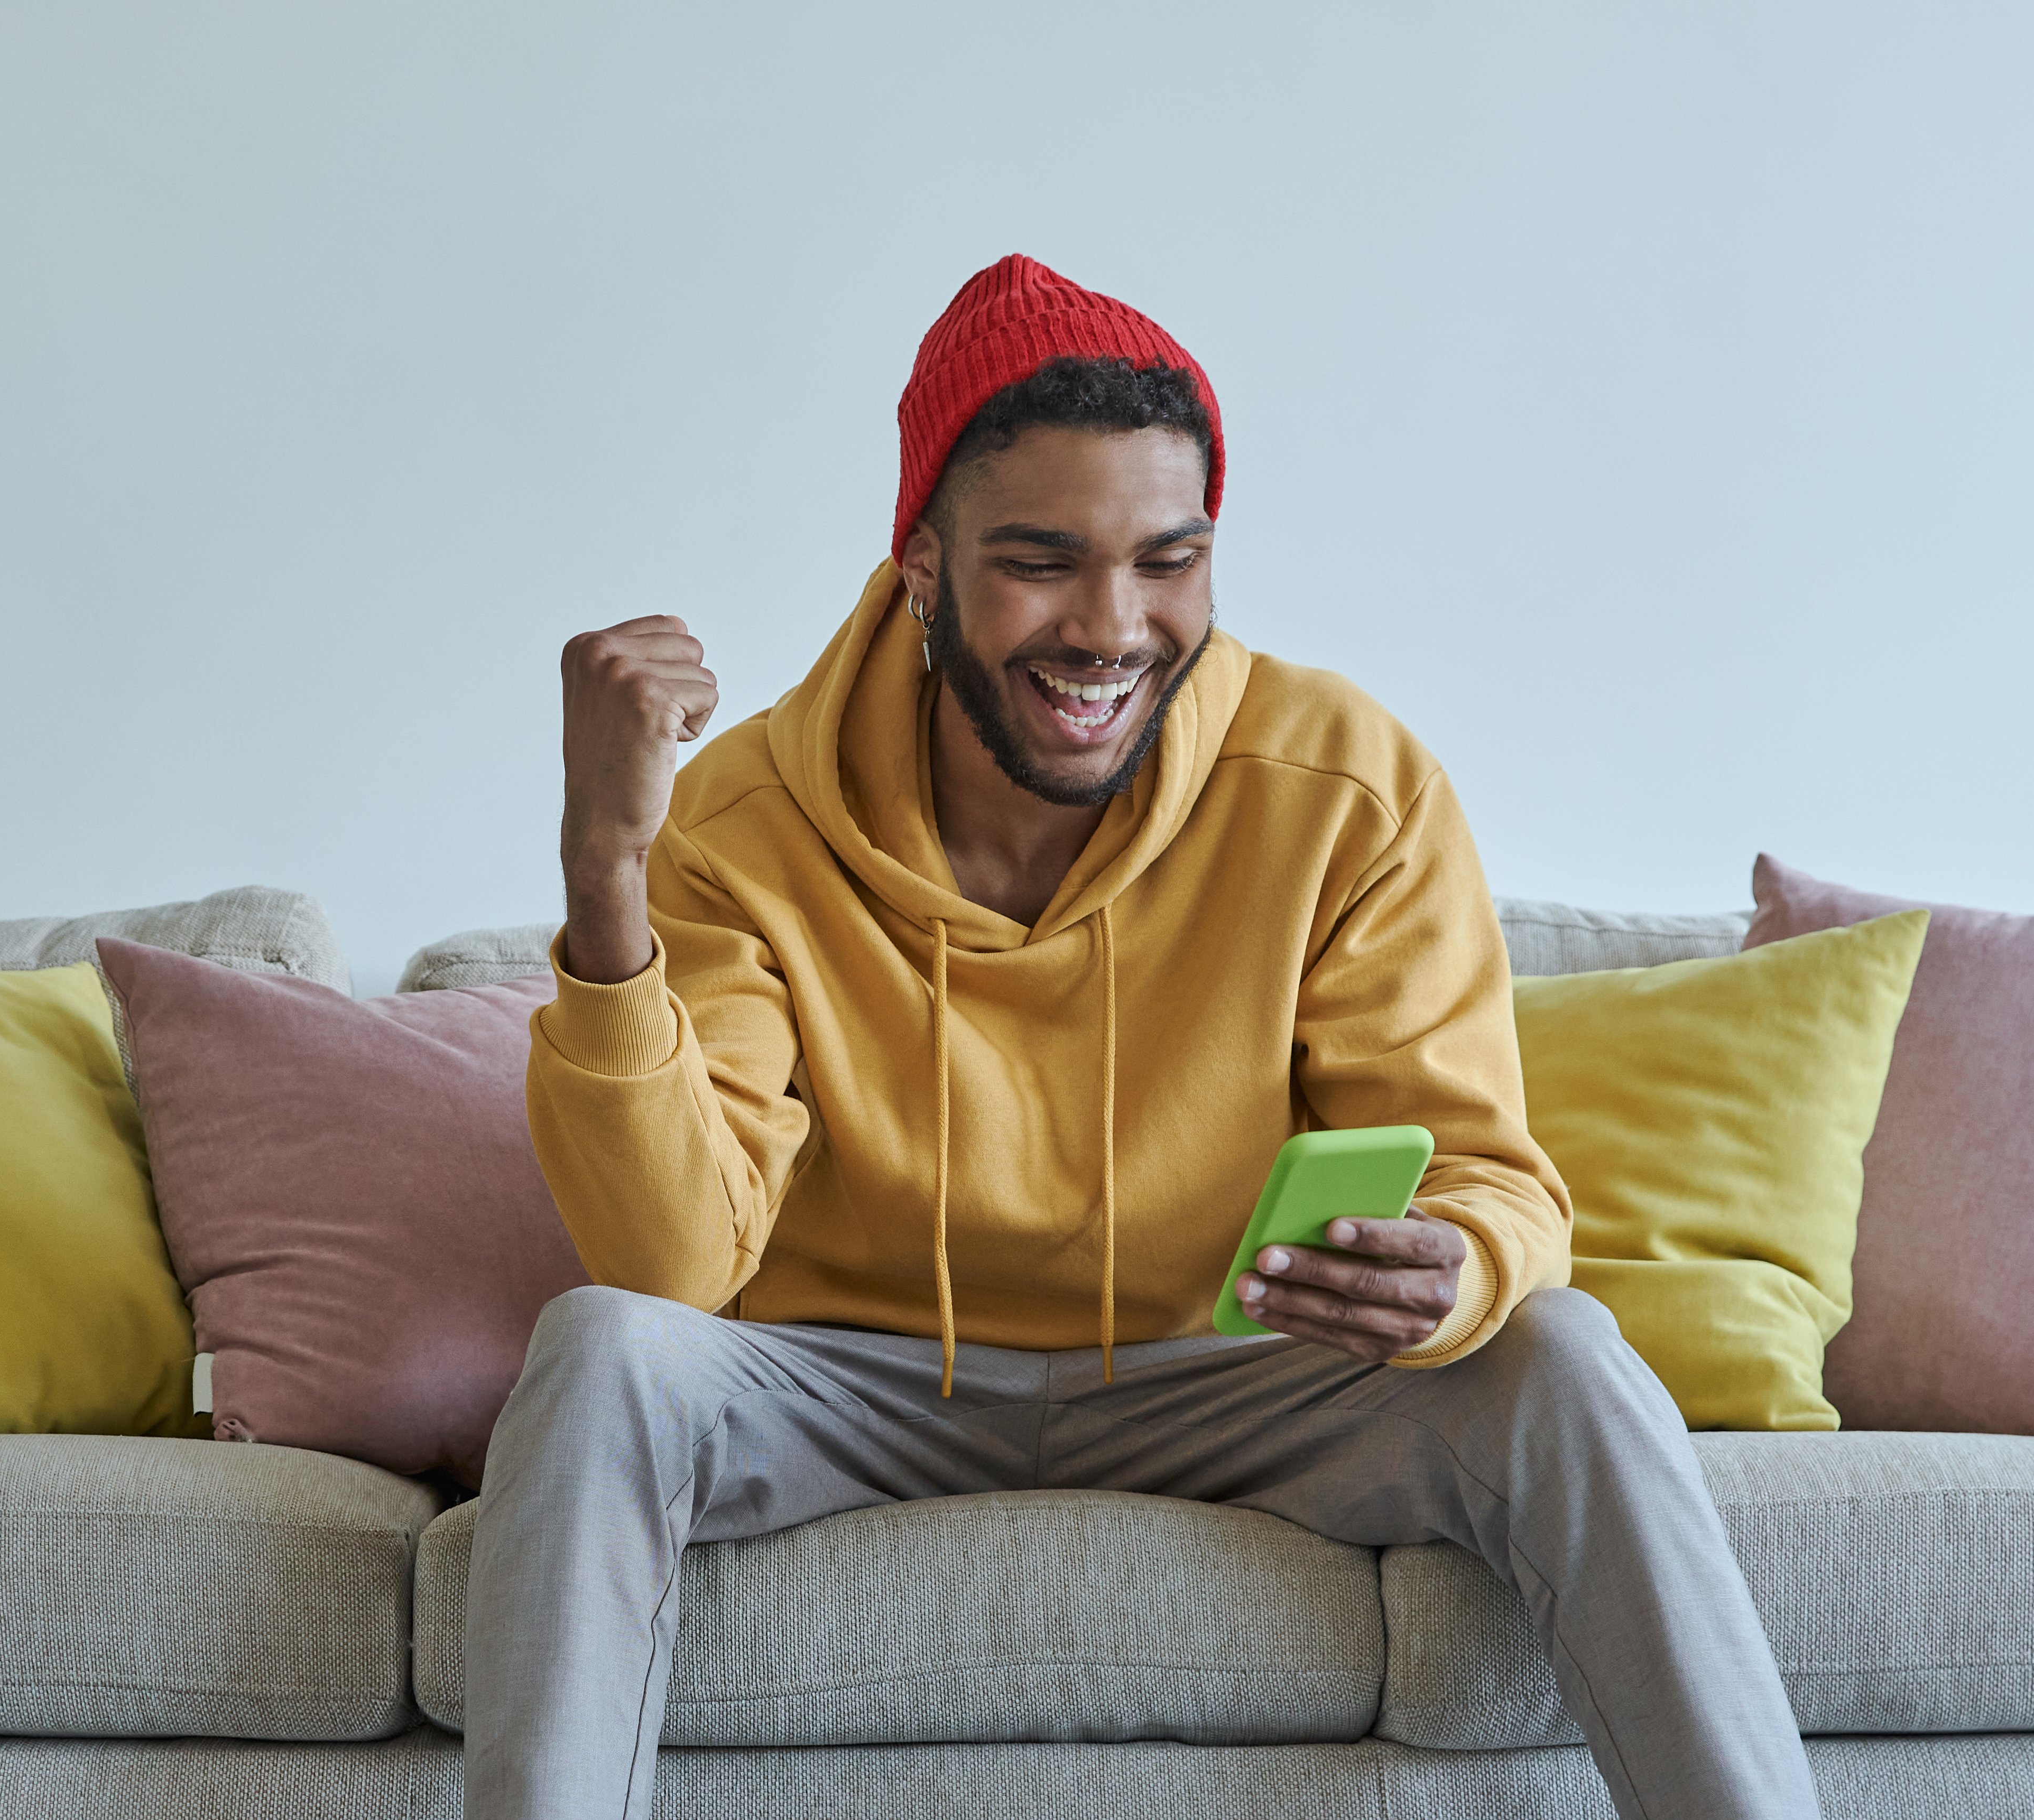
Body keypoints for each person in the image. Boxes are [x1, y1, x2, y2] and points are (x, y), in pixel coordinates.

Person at [474, 254, 1816, 1820]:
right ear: (919, 568)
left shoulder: (1345, 786)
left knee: (1563, 1353)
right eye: (1042, 562)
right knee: (600, 1350)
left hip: (1230, 1372)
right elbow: (670, 1260)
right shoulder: (750, 821)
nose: (1112, 628)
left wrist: (1459, 1263)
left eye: (1165, 561)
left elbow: (1493, 1177)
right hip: (860, 1381)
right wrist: (604, 873)